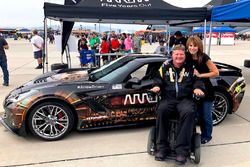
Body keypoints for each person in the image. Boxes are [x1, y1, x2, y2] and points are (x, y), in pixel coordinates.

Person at [150, 44, 204, 165]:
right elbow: (157, 79)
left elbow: (198, 80)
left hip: (185, 99)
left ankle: (182, 151)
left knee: (189, 112)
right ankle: (162, 148)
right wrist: (156, 86)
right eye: (176, 54)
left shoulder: (191, 67)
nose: (179, 56)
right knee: (161, 110)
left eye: (181, 54)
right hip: (168, 98)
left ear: (185, 55)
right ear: (172, 55)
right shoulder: (164, 66)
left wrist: (198, 88)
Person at [186, 36, 219, 144]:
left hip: (207, 90)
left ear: (199, 46)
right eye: (190, 45)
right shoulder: (187, 56)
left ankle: (207, 136)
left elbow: (215, 72)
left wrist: (200, 75)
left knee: (206, 116)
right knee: (196, 115)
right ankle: (194, 135)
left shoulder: (204, 57)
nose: (192, 48)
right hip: (194, 89)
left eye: (195, 46)